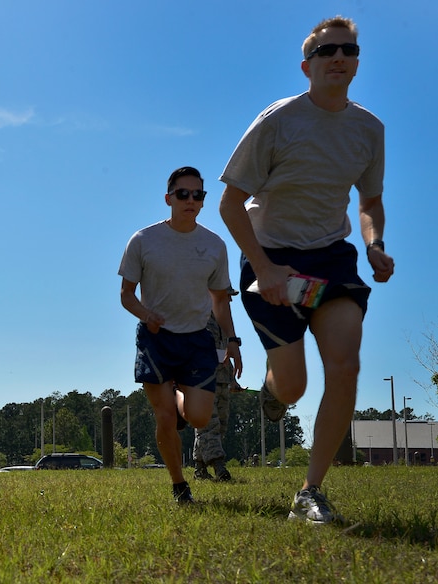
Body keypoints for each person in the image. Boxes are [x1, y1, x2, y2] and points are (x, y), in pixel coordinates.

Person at [219, 16, 394, 524]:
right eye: (327, 51)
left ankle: (309, 492)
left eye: (348, 50)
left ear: (357, 63)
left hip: (331, 258)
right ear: (307, 66)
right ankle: (274, 392)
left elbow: (371, 200)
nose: (339, 56)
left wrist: (375, 243)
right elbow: (231, 204)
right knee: (292, 387)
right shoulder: (277, 121)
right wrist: (264, 268)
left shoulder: (369, 128)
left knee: (345, 361)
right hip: (270, 256)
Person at [119, 166, 242, 504]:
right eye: (182, 194)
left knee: (200, 416)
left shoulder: (214, 245)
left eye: (197, 194)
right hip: (155, 339)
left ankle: (177, 393)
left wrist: (232, 341)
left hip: (196, 339)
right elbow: (126, 294)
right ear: (168, 198)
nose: (190, 200)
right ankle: (179, 486)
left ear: (203, 200)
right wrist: (147, 315)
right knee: (165, 418)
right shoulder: (143, 241)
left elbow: (220, 300)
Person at [193, 286, 244, 482]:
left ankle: (199, 468)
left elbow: (226, 354)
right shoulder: (201, 318)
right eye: (226, 297)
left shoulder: (224, 324)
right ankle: (220, 467)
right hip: (203, 379)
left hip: (222, 380)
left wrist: (233, 380)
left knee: (219, 425)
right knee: (209, 423)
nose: (229, 301)